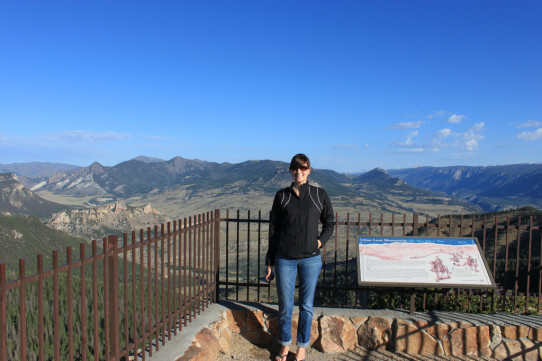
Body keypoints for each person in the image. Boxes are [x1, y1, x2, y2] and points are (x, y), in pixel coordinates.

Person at [265, 153, 335, 361]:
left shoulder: (318, 194)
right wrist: (269, 261)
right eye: (295, 168)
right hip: (284, 258)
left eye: (303, 168)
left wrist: (320, 241)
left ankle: (302, 347)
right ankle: (285, 345)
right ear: (290, 170)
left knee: (306, 305)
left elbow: (330, 222)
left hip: (310, 259)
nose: (299, 172)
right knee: (285, 306)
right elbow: (274, 230)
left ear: (309, 170)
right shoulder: (282, 196)